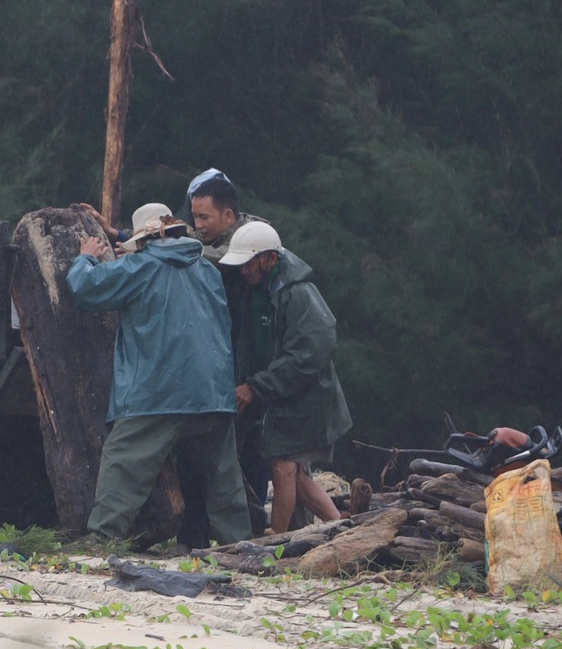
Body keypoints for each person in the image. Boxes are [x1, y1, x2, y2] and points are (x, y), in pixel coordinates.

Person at [66, 205, 259, 545]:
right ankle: (240, 545)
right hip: (213, 393)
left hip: (158, 391)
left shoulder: (140, 266)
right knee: (223, 479)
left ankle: (101, 537)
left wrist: (86, 258)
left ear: (145, 239)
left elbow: (86, 288)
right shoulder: (207, 270)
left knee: (123, 461)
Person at [218, 219, 353, 533]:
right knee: (296, 474)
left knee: (282, 467)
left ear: (270, 259)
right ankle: (341, 529)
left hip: (306, 397)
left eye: (249, 263)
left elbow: (312, 352)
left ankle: (276, 544)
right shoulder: (261, 288)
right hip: (284, 394)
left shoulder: (299, 293)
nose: (244, 270)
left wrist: (256, 386)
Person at [179, 170, 272, 539]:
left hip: (247, 371)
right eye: (195, 217)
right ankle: (206, 533)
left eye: (204, 218)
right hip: (228, 367)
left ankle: (244, 531)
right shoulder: (230, 239)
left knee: (246, 456)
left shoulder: (250, 247)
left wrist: (253, 381)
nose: (197, 225)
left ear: (229, 217)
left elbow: (203, 254)